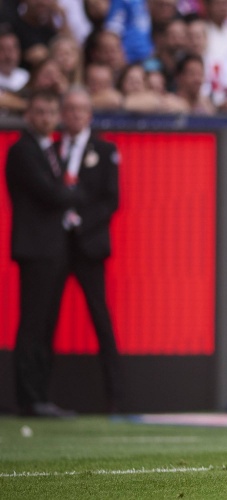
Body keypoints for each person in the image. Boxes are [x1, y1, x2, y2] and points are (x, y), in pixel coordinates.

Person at [5, 90, 84, 417]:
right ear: (28, 115)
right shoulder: (22, 150)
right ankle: (29, 397)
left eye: (51, 112)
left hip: (53, 248)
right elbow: (51, 193)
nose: (46, 117)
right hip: (35, 248)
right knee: (33, 323)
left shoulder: (50, 149)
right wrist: (72, 192)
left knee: (46, 324)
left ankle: (40, 395)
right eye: (39, 111)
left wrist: (66, 192)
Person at [52, 87, 123, 412]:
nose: (75, 114)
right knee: (44, 320)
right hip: (53, 246)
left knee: (101, 319)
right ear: (62, 114)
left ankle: (115, 397)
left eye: (81, 109)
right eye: (69, 109)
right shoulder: (51, 150)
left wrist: (80, 222)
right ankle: (38, 395)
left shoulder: (105, 150)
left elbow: (111, 200)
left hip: (89, 246)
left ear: (90, 115)